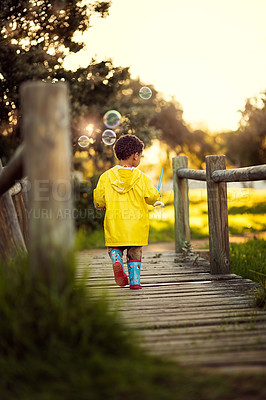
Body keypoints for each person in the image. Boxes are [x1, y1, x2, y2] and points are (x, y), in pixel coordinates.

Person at [93, 134, 160, 289]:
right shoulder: (143, 178)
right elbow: (152, 198)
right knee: (135, 253)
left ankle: (116, 259)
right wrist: (157, 195)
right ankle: (135, 282)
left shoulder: (106, 177)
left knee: (114, 247)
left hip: (115, 224)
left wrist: (101, 204)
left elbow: (99, 199)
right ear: (135, 155)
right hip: (136, 227)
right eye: (140, 156)